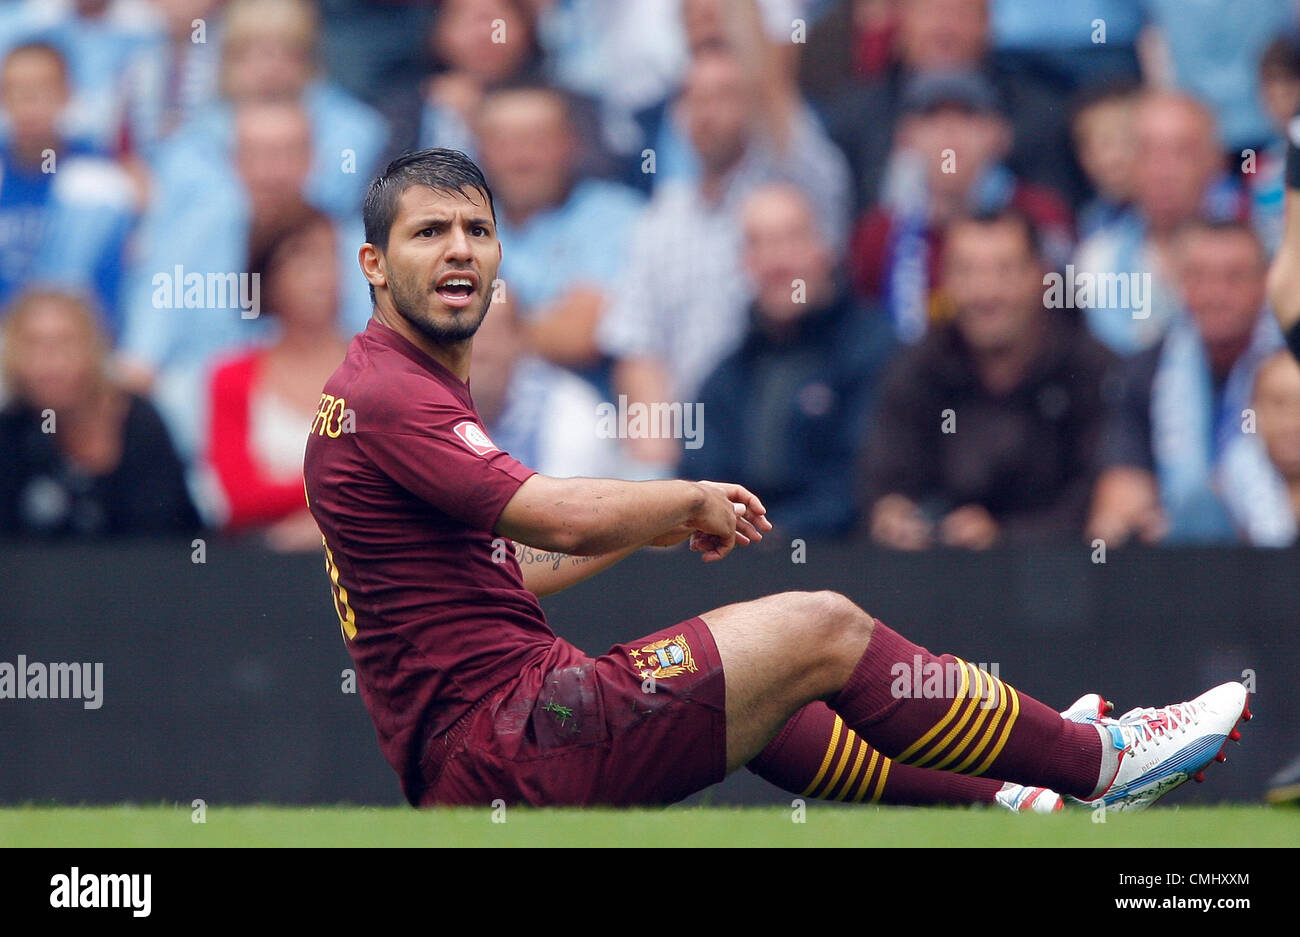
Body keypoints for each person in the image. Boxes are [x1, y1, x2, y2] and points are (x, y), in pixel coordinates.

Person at [302, 147, 1249, 813]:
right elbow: (554, 511)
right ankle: (1107, 762)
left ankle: (1016, 791)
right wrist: (680, 499)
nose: (461, 247)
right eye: (431, 232)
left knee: (778, 694)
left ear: (503, 257)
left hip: (494, 751)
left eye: (477, 228)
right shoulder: (391, 392)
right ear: (375, 265)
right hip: (516, 740)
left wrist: (645, 527)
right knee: (821, 625)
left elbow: (514, 557)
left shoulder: (384, 391)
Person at [862, 208, 1115, 550]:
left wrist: (1005, 538)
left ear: (1040, 277)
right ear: (945, 280)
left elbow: (1102, 502)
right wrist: (891, 515)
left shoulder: (1088, 370)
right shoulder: (917, 368)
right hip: (938, 578)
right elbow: (884, 477)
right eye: (967, 272)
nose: (985, 293)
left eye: (1004, 271)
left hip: (1062, 582)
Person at [684, 182, 896, 537]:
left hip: (846, 563)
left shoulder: (876, 353)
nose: (776, 262)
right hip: (733, 562)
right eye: (759, 244)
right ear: (744, 262)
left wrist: (776, 536)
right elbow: (700, 489)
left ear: (825, 247)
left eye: (791, 239)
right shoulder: (724, 378)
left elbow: (862, 484)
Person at [1087, 220, 1282, 546]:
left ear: (1266, 282)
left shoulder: (1290, 365)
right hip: (1176, 562)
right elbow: (1120, 494)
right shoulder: (1144, 371)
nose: (1215, 295)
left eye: (1234, 278)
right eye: (1200, 277)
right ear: (1179, 283)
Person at [202, 210, 348, 549]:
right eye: (303, 260)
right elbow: (239, 498)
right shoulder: (231, 377)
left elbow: (401, 485)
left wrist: (318, 525)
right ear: (266, 278)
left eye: (330, 256)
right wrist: (341, 496)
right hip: (267, 567)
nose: (321, 277)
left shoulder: (385, 369)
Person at [0, 288, 198, 537]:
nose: (50, 361)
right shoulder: (9, 434)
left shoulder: (140, 424)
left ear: (94, 348)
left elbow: (172, 535)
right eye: (34, 344)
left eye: (65, 343)